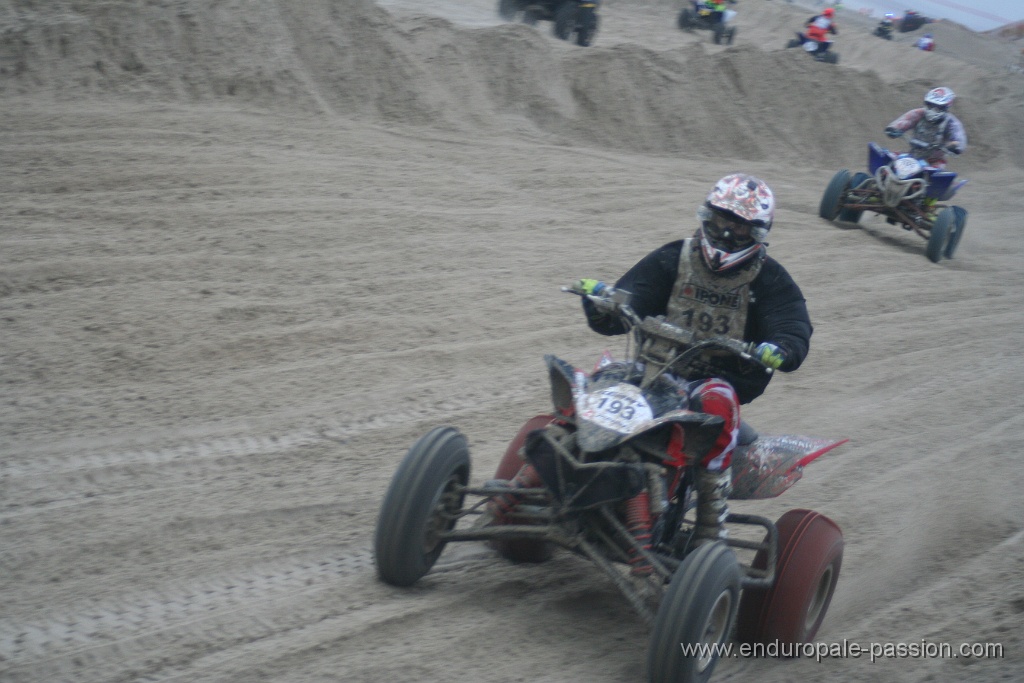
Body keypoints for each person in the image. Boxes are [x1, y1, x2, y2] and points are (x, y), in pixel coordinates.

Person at [575, 174, 813, 546]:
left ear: (759, 233)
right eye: (720, 222)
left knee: (716, 400)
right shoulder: (676, 256)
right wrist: (604, 305)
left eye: (739, 228)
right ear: (707, 216)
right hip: (655, 367)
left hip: (715, 380)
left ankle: (708, 526)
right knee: (603, 375)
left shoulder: (770, 279)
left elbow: (793, 325)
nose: (728, 235)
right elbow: (632, 296)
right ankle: (554, 472)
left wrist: (781, 349)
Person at [885, 87, 967, 170]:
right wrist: (894, 128)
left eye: (937, 107)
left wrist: (954, 146)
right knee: (888, 158)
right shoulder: (918, 113)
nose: (932, 110)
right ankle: (877, 178)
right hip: (912, 155)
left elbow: (958, 137)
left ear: (945, 107)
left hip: (934, 160)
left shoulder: (951, 123)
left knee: (935, 175)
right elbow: (906, 120)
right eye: (930, 105)